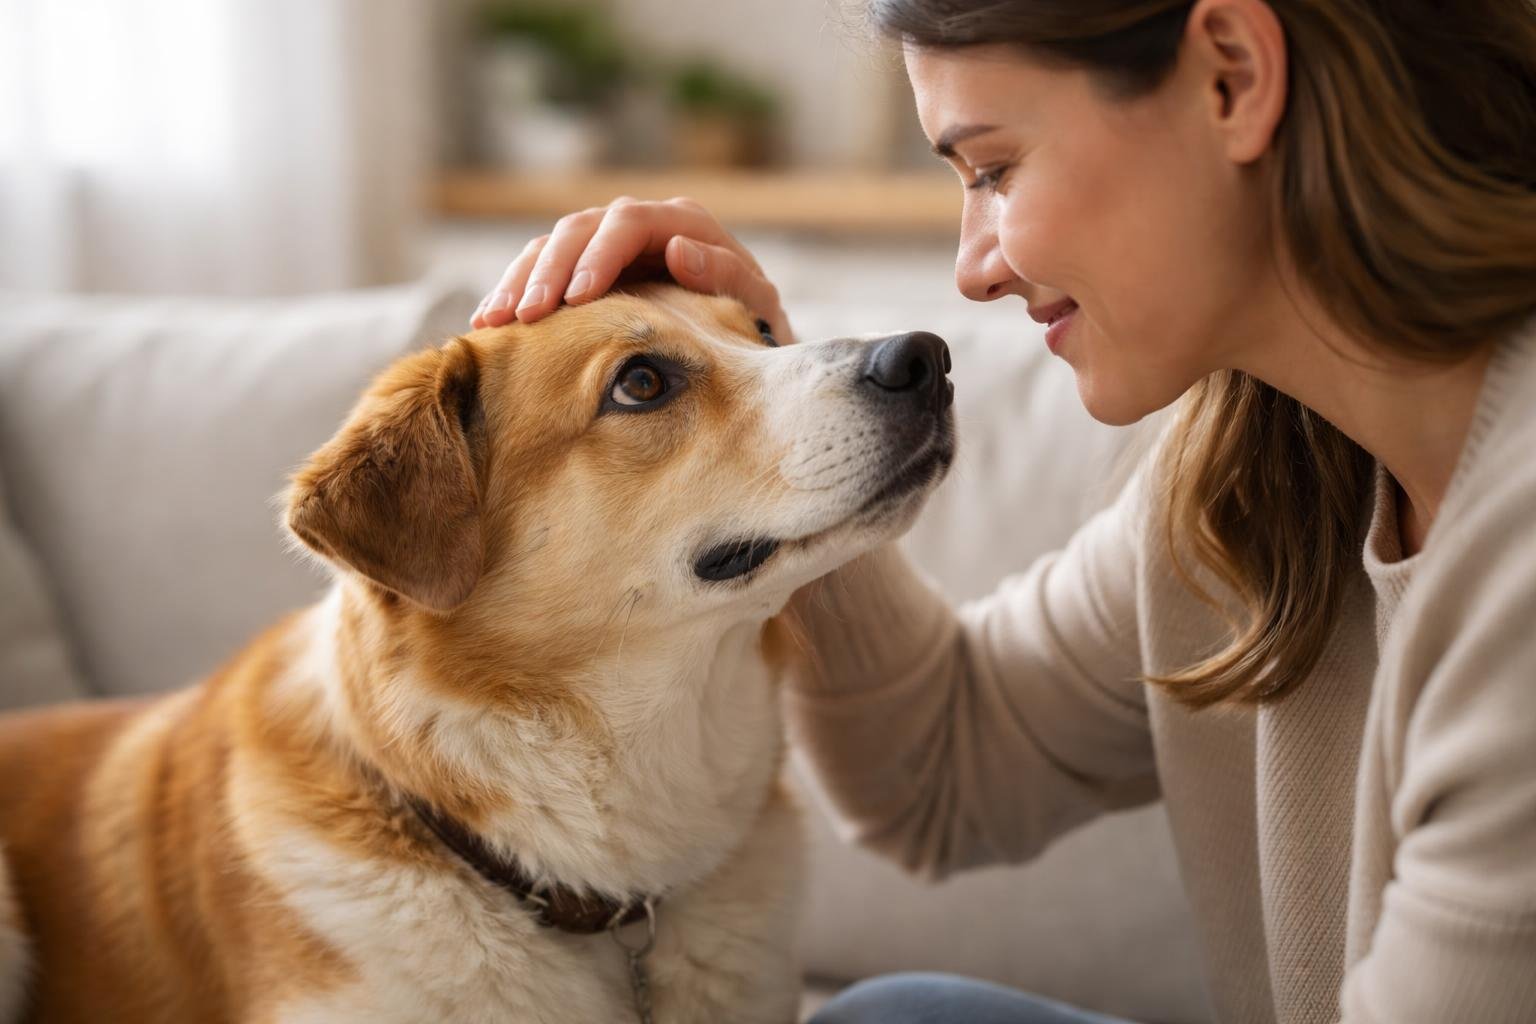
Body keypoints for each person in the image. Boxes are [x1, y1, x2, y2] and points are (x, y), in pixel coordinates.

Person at [470, 1, 1536, 1020]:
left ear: (1233, 78)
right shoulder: (1257, 468)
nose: (972, 269)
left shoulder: (1516, 553)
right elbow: (941, 764)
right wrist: (785, 420)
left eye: (994, 168)